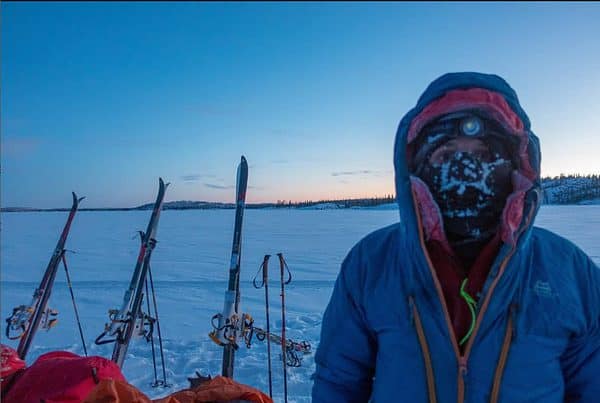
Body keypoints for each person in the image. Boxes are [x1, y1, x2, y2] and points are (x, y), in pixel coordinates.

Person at [311, 72, 600, 402]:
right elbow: (338, 382)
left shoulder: (571, 273)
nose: (466, 174)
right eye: (446, 157)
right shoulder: (371, 264)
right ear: (418, 168)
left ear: (517, 167)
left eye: (485, 156)